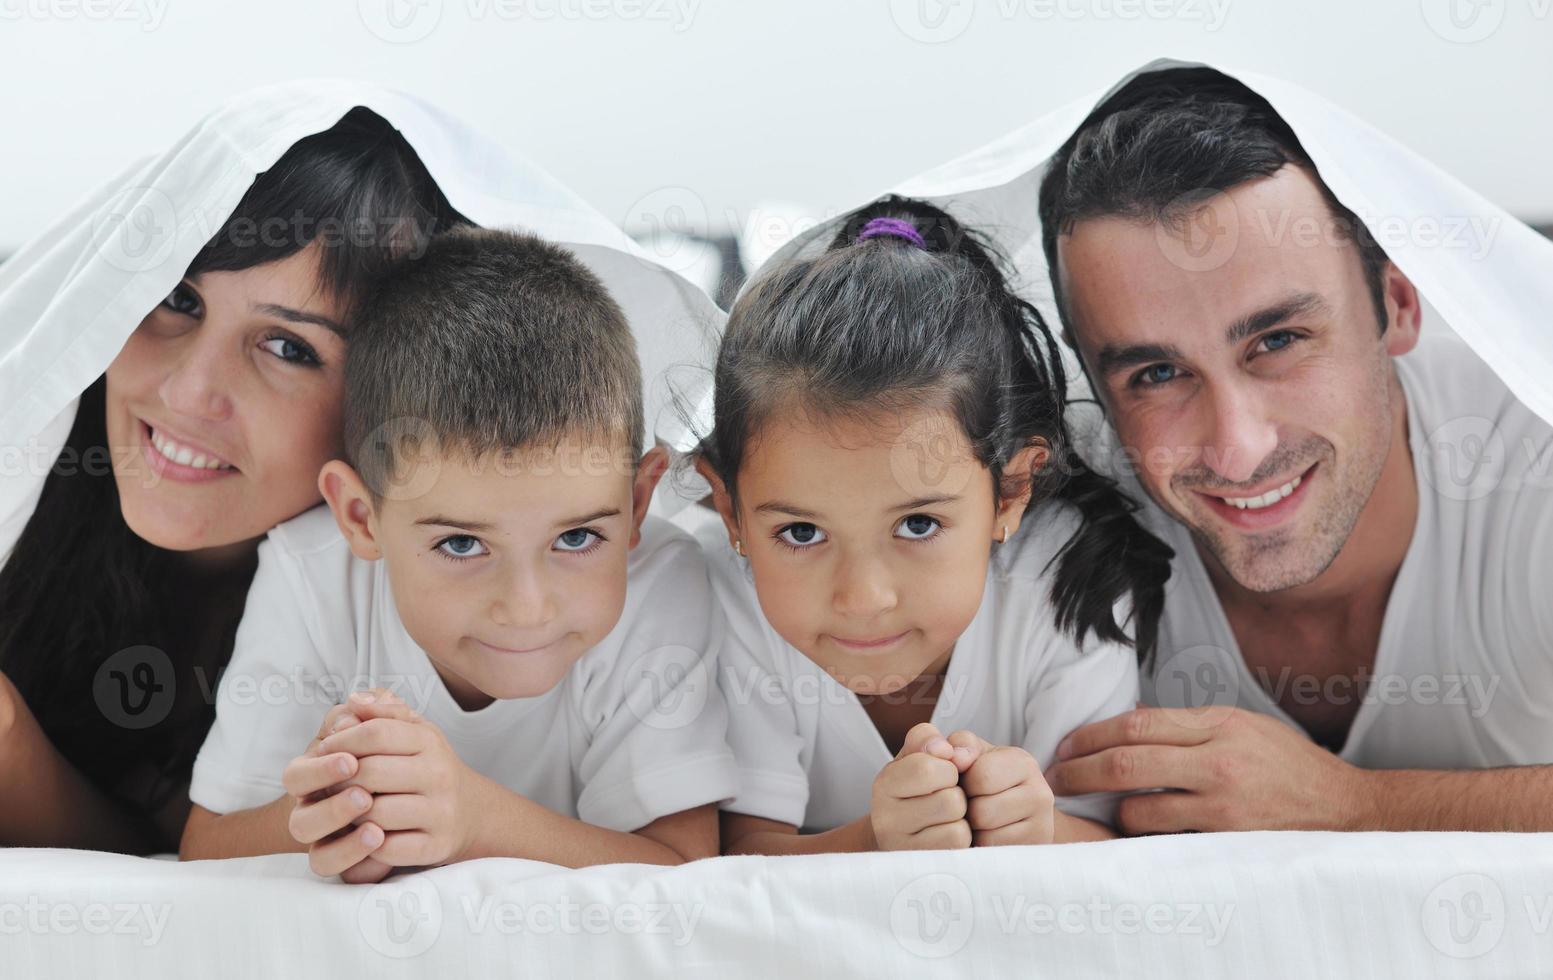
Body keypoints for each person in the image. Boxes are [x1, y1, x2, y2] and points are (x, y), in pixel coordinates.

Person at [1037, 68, 1553, 832]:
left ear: (1398, 306)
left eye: (1277, 341)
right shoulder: (1041, 519)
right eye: (1156, 374)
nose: (1237, 450)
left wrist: (1359, 805)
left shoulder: (1531, 463)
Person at [180, 228, 737, 881]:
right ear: (361, 517)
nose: (526, 608)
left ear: (638, 502)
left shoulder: (662, 583)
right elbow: (206, 846)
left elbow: (683, 869)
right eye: (462, 544)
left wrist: (474, 821)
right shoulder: (310, 575)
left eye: (577, 537)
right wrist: (344, 809)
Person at [0, 108, 461, 852]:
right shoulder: (24, 468)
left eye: (286, 346)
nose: (188, 394)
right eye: (178, 299)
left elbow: (183, 864)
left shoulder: (397, 615)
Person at [695, 197, 1171, 854]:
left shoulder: (1066, 582)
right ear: (730, 511)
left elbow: (1112, 837)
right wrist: (876, 839)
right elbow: (739, 857)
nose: (863, 598)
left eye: (917, 524)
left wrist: (1037, 826)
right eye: (801, 533)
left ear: (1009, 492)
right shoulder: (719, 600)